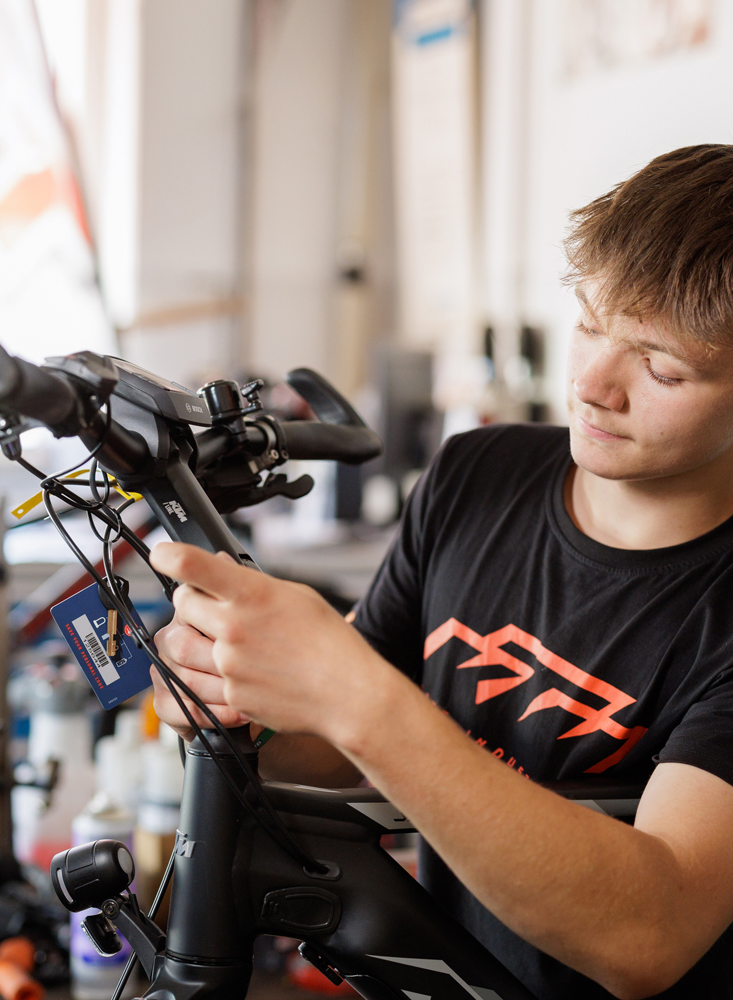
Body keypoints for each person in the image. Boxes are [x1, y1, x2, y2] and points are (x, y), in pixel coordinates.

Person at [148, 145, 733, 1000]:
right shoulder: (477, 477)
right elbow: (332, 754)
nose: (594, 386)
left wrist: (352, 692)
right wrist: (240, 692)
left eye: (662, 366)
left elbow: (648, 930)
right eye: (590, 323)